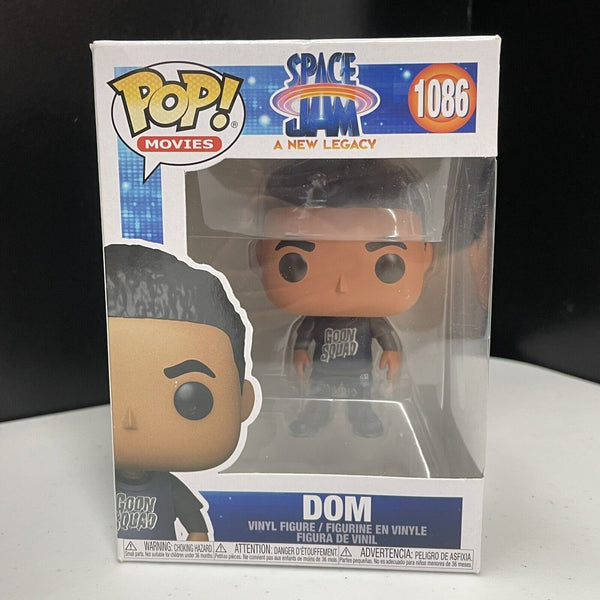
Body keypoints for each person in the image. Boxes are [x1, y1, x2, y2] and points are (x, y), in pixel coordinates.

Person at [256, 159, 432, 438]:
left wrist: (392, 352)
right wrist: (299, 352)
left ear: (426, 256)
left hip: (358, 372)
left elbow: (385, 336)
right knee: (318, 398)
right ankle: (315, 415)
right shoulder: (316, 319)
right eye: (295, 263)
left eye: (387, 264)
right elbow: (303, 336)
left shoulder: (370, 320)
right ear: (260, 254)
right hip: (323, 372)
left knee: (361, 398)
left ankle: (363, 416)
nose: (342, 285)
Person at [105, 244, 256, 540]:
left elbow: (195, 522)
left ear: (244, 401)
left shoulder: (167, 486)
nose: (129, 420)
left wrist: (197, 538)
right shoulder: (95, 484)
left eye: (192, 397)